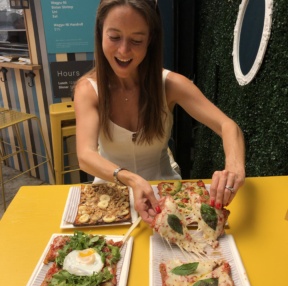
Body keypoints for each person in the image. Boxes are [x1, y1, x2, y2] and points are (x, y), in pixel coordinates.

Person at [73, 0, 245, 224]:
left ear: (150, 40)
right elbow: (85, 156)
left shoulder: (170, 84)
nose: (124, 50)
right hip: (111, 196)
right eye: (114, 37)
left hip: (166, 194)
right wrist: (131, 179)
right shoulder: (88, 89)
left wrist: (234, 168)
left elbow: (228, 126)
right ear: (100, 33)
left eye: (136, 40)